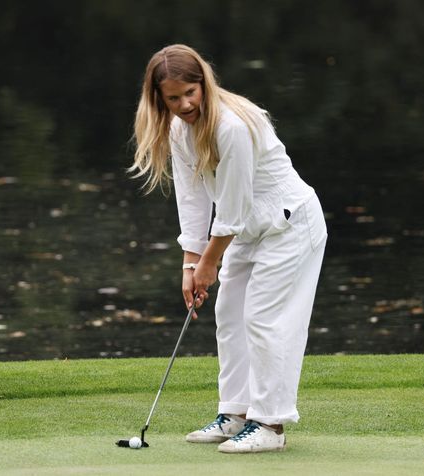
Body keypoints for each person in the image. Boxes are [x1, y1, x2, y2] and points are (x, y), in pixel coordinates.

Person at [130, 44, 327, 453]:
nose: (185, 103)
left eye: (191, 92)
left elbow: (232, 207)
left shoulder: (232, 125)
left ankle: (270, 424)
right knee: (230, 315)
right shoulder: (178, 129)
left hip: (289, 225)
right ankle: (236, 412)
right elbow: (194, 199)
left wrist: (209, 263)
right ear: (158, 98)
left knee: (264, 318)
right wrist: (190, 263)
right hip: (248, 229)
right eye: (173, 97)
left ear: (203, 84)